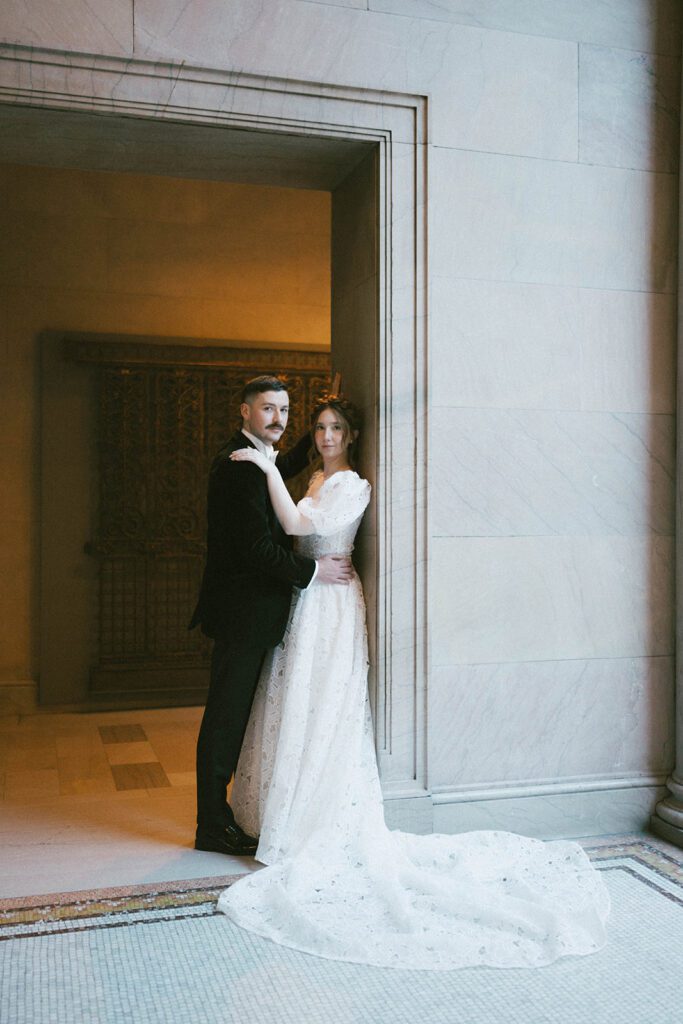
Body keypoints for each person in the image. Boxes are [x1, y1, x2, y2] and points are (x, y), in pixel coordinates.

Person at [216, 395, 611, 970]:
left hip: (331, 606)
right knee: (292, 704)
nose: (326, 437)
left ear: (352, 435)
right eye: (320, 428)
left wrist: (266, 466)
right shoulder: (318, 477)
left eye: (336, 429)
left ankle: (314, 816)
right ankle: (283, 807)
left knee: (324, 707)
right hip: (308, 601)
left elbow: (299, 525)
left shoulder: (352, 483)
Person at [189, 376, 354, 857]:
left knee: (234, 716)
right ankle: (212, 825)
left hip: (251, 612)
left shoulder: (257, 455)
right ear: (245, 412)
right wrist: (314, 569)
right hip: (241, 614)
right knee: (225, 718)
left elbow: (295, 457)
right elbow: (256, 548)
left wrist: (331, 405)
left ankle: (218, 818)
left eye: (284, 410)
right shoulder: (239, 465)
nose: (278, 419)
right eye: (267, 410)